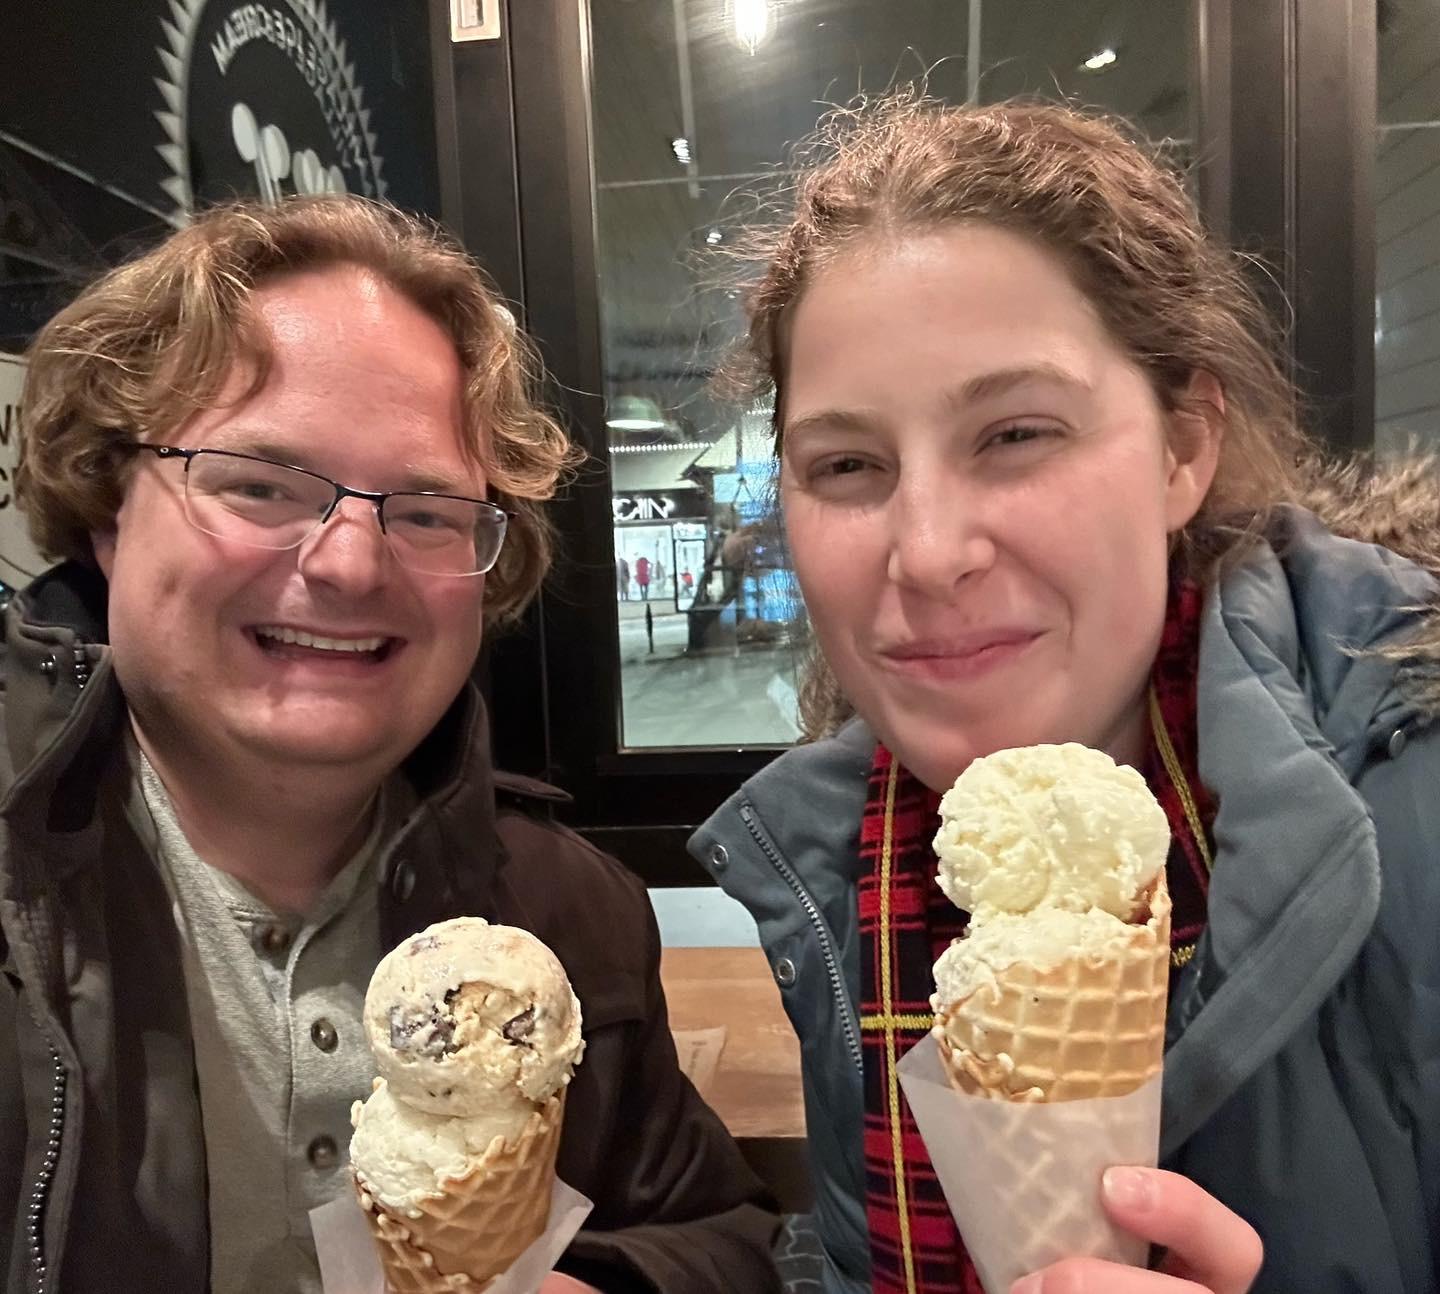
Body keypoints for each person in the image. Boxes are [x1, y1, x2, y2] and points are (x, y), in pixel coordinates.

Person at [688, 95, 1440, 1294]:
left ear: (1183, 446)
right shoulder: (848, 870)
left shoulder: (1417, 800)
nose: (928, 550)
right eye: (847, 465)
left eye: (1017, 433)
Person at [0, 196, 781, 1294]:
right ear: (108, 508)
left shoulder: (566, 905)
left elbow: (715, 1230)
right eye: (261, 484)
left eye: (424, 510)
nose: (352, 566)